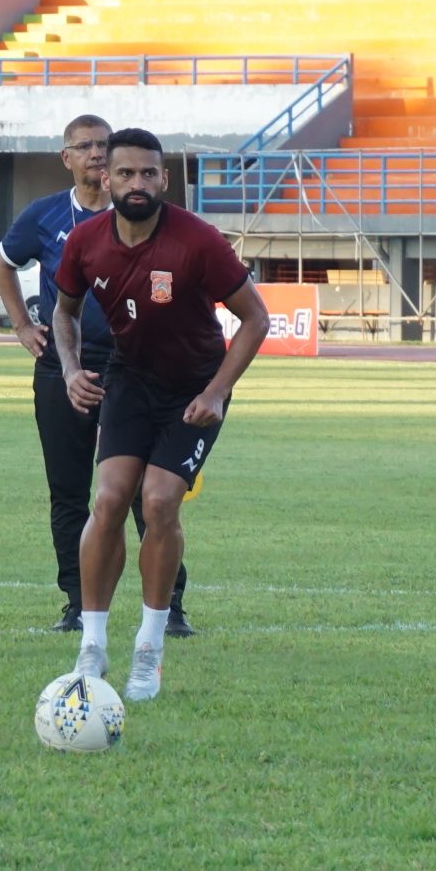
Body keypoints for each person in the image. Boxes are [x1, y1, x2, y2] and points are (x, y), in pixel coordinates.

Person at [51, 127, 270, 702]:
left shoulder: (198, 241)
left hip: (195, 391)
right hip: (129, 380)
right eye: (125, 173)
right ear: (105, 177)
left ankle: (149, 646)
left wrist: (220, 391)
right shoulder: (86, 242)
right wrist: (71, 370)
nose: (137, 183)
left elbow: (256, 319)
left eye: (149, 173)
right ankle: (92, 647)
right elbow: (64, 313)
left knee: (159, 500)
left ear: (164, 179)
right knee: (107, 499)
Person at [0, 115, 195, 637]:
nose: (97, 155)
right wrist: (20, 324)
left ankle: (168, 604)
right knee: (69, 491)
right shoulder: (45, 216)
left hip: (136, 370)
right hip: (63, 369)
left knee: (142, 492)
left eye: (104, 146)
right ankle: (78, 603)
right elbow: (3, 263)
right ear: (67, 158)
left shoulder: (145, 216)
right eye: (84, 147)